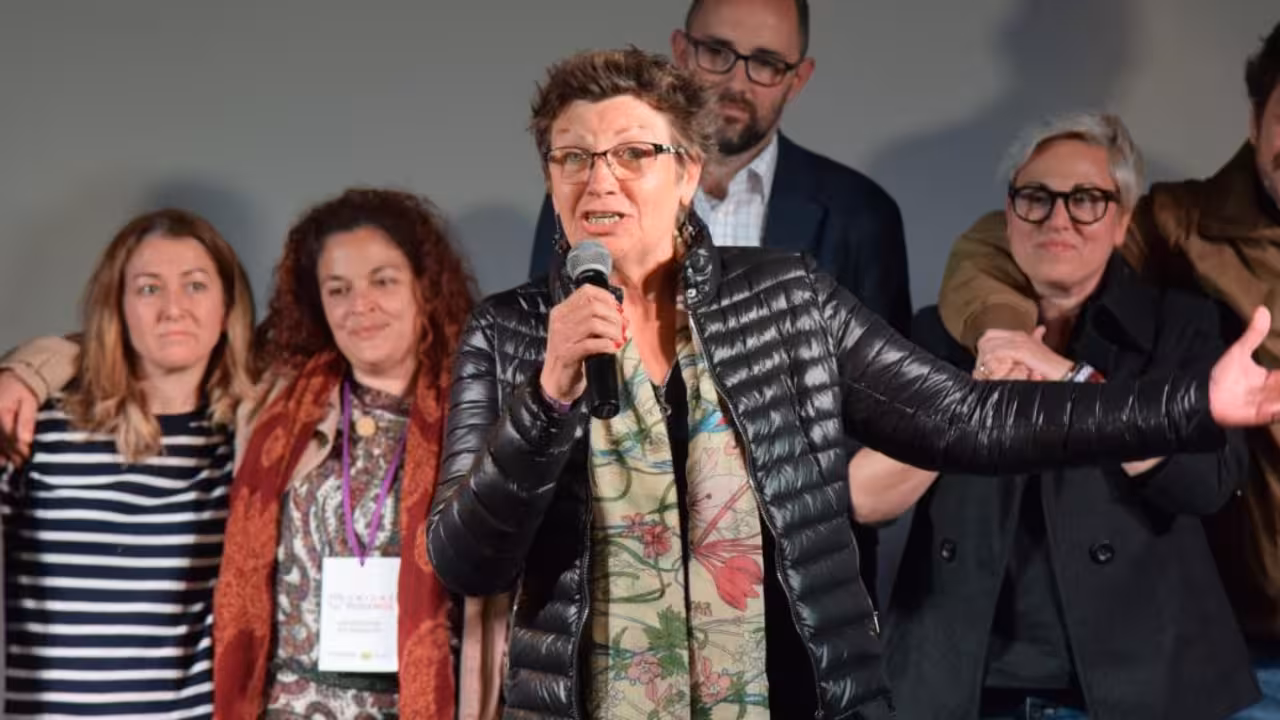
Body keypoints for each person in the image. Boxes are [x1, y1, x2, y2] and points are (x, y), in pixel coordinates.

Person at [426, 48, 1280, 720]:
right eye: (572, 156)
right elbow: (466, 558)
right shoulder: (509, 334)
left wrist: (1191, 403)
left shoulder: (785, 298)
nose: (598, 179)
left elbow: (966, 418)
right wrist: (547, 398)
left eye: (630, 153)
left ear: (686, 173)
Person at [0, 189, 503, 718]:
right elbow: (134, 348)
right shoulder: (278, 406)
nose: (361, 305)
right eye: (338, 288)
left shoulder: (475, 416)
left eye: (383, 281)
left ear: (425, 285)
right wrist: (26, 372)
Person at [848, 112, 1258, 720]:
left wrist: (1064, 374)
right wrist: (971, 395)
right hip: (956, 685)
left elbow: (1204, 484)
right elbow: (864, 499)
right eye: (1036, 197)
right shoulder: (937, 332)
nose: (1058, 218)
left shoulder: (1181, 323)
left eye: (1087, 199)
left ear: (1122, 222)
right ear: (1009, 214)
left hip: (1141, 684)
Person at [933, 21, 1280, 719]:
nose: (1058, 215)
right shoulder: (1181, 224)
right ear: (1254, 121)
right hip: (1254, 624)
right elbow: (1009, 245)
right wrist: (1010, 340)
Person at [528, 0, 909, 602]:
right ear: (681, 51)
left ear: (798, 78)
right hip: (618, 562)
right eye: (717, 52)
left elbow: (883, 409)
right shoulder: (588, 201)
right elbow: (545, 366)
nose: (737, 80)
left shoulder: (861, 215)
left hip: (791, 578)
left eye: (766, 63)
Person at [0, 209, 255, 718]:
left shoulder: (248, 442)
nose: (173, 308)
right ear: (117, 306)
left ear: (227, 307)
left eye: (195, 286)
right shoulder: (39, 423)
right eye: (148, 289)